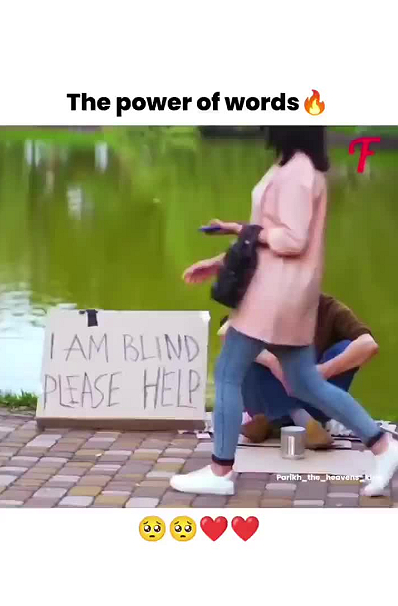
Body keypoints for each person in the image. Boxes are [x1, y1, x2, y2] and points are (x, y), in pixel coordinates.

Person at [170, 127, 398, 498]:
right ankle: (384, 447)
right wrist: (224, 256)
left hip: (273, 294)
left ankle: (221, 471)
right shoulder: (294, 165)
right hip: (283, 291)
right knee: (306, 382)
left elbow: (291, 240)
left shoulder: (299, 172)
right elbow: (269, 234)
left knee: (227, 373)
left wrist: (247, 232)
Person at [218, 294, 379, 447]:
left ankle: (269, 420)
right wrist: (272, 362)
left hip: (313, 398)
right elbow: (226, 332)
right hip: (265, 393)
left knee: (346, 348)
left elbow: (368, 344)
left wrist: (323, 371)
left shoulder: (329, 308)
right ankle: (299, 418)